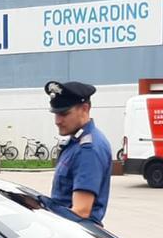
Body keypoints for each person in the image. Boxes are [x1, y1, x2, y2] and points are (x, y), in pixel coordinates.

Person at [45, 81, 112, 225]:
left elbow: (81, 211)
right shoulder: (75, 143)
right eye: (55, 114)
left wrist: (42, 208)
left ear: (84, 109)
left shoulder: (88, 150)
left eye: (64, 113)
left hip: (75, 235)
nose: (57, 121)